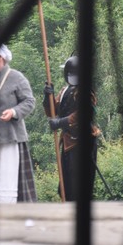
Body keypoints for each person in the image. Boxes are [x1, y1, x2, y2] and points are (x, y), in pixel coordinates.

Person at [44, 55, 101, 202]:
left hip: (83, 143)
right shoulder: (65, 91)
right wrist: (48, 97)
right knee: (67, 185)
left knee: (79, 186)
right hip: (68, 143)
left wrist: (60, 122)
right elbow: (52, 112)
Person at [0, 44, 37, 203]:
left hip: (9, 138)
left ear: (1, 57)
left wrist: (13, 112)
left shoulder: (16, 77)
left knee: (7, 181)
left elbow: (29, 101)